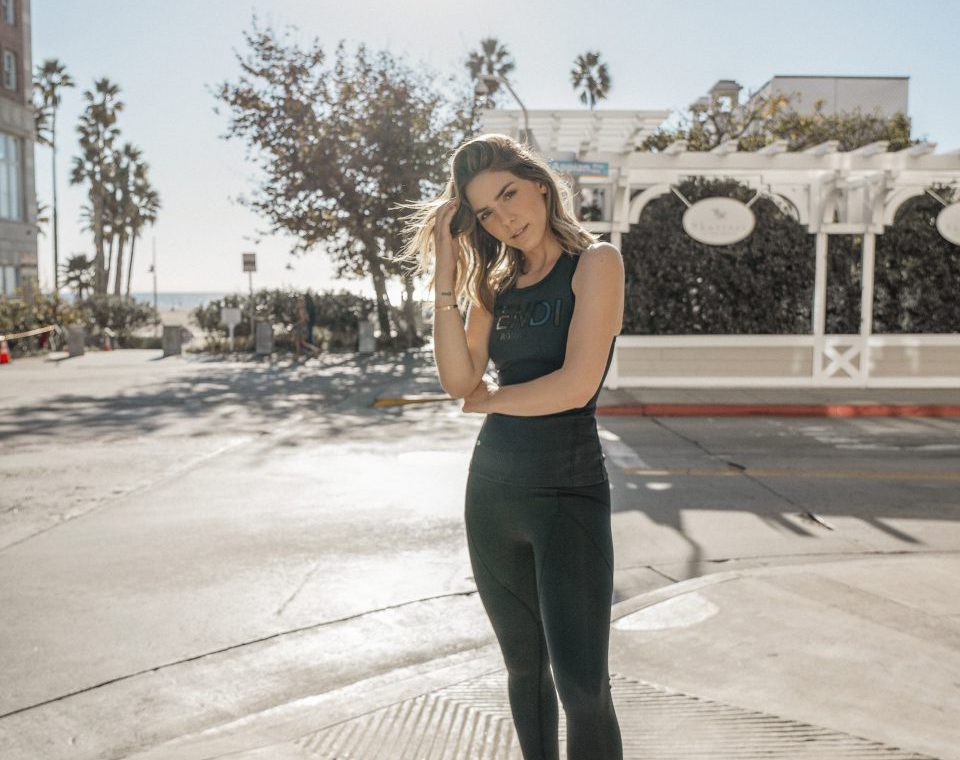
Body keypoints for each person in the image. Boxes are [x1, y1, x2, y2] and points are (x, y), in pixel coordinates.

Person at [396, 133, 624, 759]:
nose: (505, 218)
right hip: (493, 496)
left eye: (510, 195)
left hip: (569, 494)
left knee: (582, 687)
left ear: (540, 187)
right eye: (487, 212)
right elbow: (458, 380)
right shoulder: (494, 286)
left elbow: (576, 385)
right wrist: (446, 276)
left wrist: (494, 400)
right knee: (525, 674)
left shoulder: (596, 263)